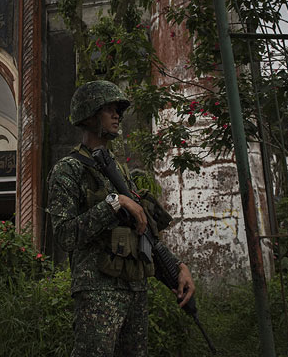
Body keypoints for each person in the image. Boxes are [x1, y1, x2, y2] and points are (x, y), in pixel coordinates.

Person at [47, 80, 195, 357]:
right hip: (97, 291)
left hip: (134, 287)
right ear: (89, 114)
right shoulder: (69, 169)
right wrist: (115, 203)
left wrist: (178, 267)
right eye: (109, 109)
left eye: (119, 110)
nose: (117, 115)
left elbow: (145, 231)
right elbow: (64, 235)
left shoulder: (120, 171)